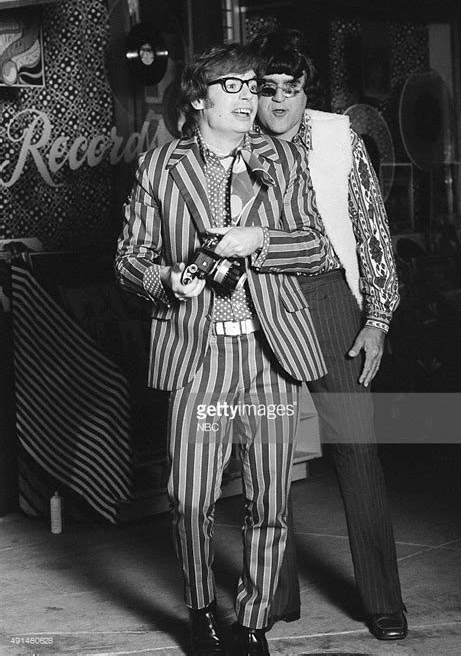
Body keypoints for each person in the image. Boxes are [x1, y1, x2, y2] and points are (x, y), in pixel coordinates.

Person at [115, 42, 331, 656]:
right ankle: (200, 610)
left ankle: (255, 621)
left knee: (271, 498)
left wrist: (257, 239)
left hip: (268, 355)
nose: (247, 97)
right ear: (198, 97)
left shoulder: (279, 161)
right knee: (189, 499)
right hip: (200, 356)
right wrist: (166, 280)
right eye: (231, 86)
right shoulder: (161, 167)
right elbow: (129, 259)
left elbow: (316, 246)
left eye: (251, 87)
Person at [247, 28, 407, 641]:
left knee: (358, 450)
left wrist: (377, 318)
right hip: (266, 303)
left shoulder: (340, 137)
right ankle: (276, 591)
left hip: (334, 299)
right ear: (252, 93)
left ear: (306, 89)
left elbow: (372, 231)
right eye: (268, 89)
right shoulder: (234, 144)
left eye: (292, 88)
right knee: (268, 456)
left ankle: (383, 601)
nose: (280, 101)